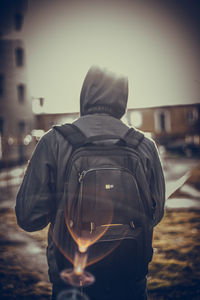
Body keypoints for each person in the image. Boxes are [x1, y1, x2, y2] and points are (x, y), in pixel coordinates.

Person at [15, 65, 165, 300]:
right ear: (123, 96)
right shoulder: (144, 145)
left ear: (85, 94)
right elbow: (155, 214)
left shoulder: (54, 141)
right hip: (131, 281)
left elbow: (28, 218)